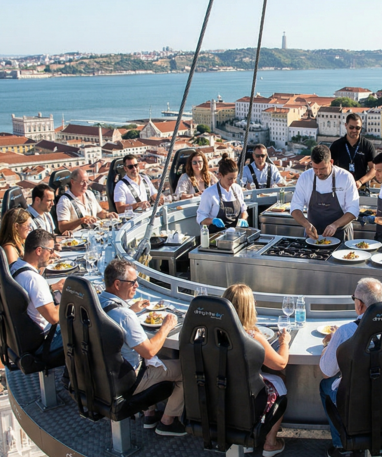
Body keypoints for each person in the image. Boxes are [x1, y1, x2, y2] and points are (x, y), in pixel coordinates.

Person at [99, 259, 186, 437]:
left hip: (103, 374)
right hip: (127, 379)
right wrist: (166, 327)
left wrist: (131, 310)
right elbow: (149, 351)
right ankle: (167, 422)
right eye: (133, 282)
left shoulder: (98, 301)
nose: (137, 286)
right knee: (187, 370)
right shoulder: (125, 316)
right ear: (117, 284)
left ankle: (150, 414)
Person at [319, 278, 382, 457]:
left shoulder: (345, 332)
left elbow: (326, 371)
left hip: (356, 401)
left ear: (360, 305)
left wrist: (328, 346)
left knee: (325, 386)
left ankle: (343, 448)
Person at [222, 284, 290, 457]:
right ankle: (270, 443)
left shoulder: (213, 330)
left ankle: (245, 440)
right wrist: (284, 343)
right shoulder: (252, 336)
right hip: (248, 395)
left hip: (222, 392)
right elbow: (281, 363)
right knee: (280, 379)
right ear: (249, 308)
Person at [8, 229, 64, 357]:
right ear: (39, 251)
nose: (52, 254)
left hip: (23, 339)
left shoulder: (15, 267)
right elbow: (54, 318)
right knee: (86, 331)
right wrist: (71, 299)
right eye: (50, 250)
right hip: (43, 343)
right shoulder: (34, 280)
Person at [290, 145, 360, 241]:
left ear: (331, 162)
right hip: (314, 237)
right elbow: (295, 208)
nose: (318, 173)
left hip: (341, 234)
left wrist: (335, 225)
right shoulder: (305, 177)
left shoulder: (345, 177)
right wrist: (306, 225)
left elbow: (353, 209)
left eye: (323, 168)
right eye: (315, 168)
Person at [196, 157, 249, 232]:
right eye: (229, 179)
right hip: (216, 235)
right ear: (220, 175)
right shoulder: (209, 193)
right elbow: (200, 218)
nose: (232, 181)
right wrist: (213, 221)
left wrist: (243, 219)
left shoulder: (237, 189)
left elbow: (244, 210)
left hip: (235, 233)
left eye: (234, 178)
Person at [57, 167, 114, 232]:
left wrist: (107, 214)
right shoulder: (64, 201)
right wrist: (81, 220)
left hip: (94, 233)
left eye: (87, 182)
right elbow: (62, 228)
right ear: (72, 182)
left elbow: (99, 212)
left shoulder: (89, 194)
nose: (85, 185)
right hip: (77, 236)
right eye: (82, 182)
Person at [329, 113, 377, 187]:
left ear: (361, 128)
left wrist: (360, 181)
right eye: (351, 127)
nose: (354, 130)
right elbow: (329, 166)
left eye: (357, 128)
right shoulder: (336, 145)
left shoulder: (367, 145)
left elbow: (374, 169)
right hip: (340, 187)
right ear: (346, 126)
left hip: (360, 187)